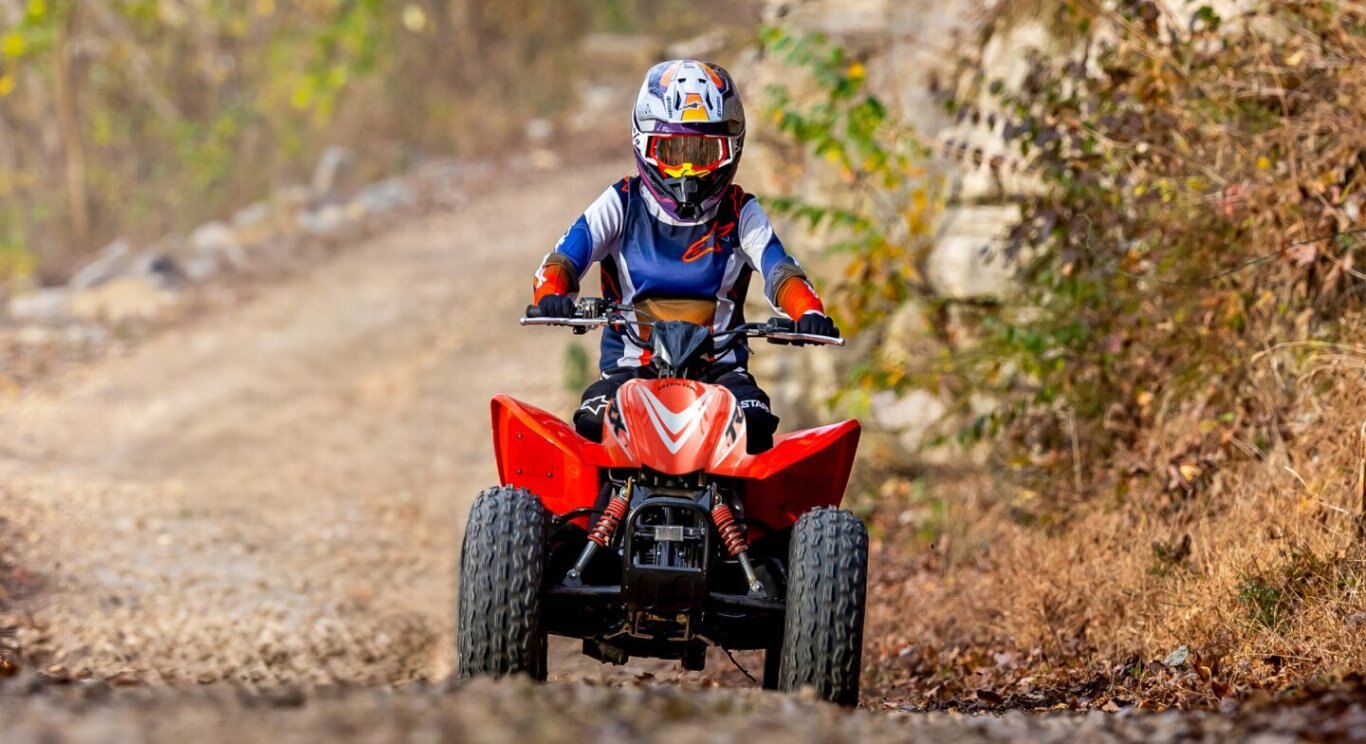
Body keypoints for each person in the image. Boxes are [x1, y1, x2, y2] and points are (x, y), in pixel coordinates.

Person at [531, 59, 839, 453]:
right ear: (644, 145)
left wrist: (807, 310)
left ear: (731, 151)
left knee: (756, 426)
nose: (688, 171)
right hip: (630, 372)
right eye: (673, 152)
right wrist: (552, 294)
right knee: (594, 423)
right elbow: (563, 259)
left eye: (703, 152)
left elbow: (779, 269)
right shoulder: (621, 202)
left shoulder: (741, 212)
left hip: (722, 374)